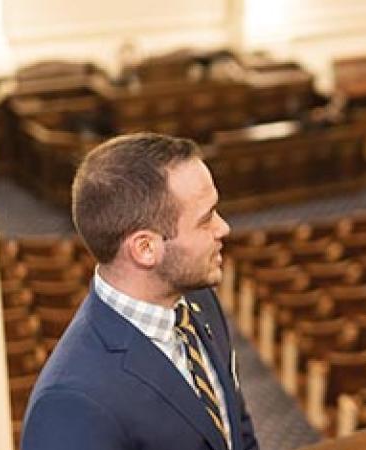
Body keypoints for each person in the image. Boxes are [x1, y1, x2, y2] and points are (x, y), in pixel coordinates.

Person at [21, 133, 260, 450]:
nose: (223, 228)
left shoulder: (198, 301)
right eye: (205, 220)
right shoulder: (70, 405)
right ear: (145, 248)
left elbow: (236, 430)